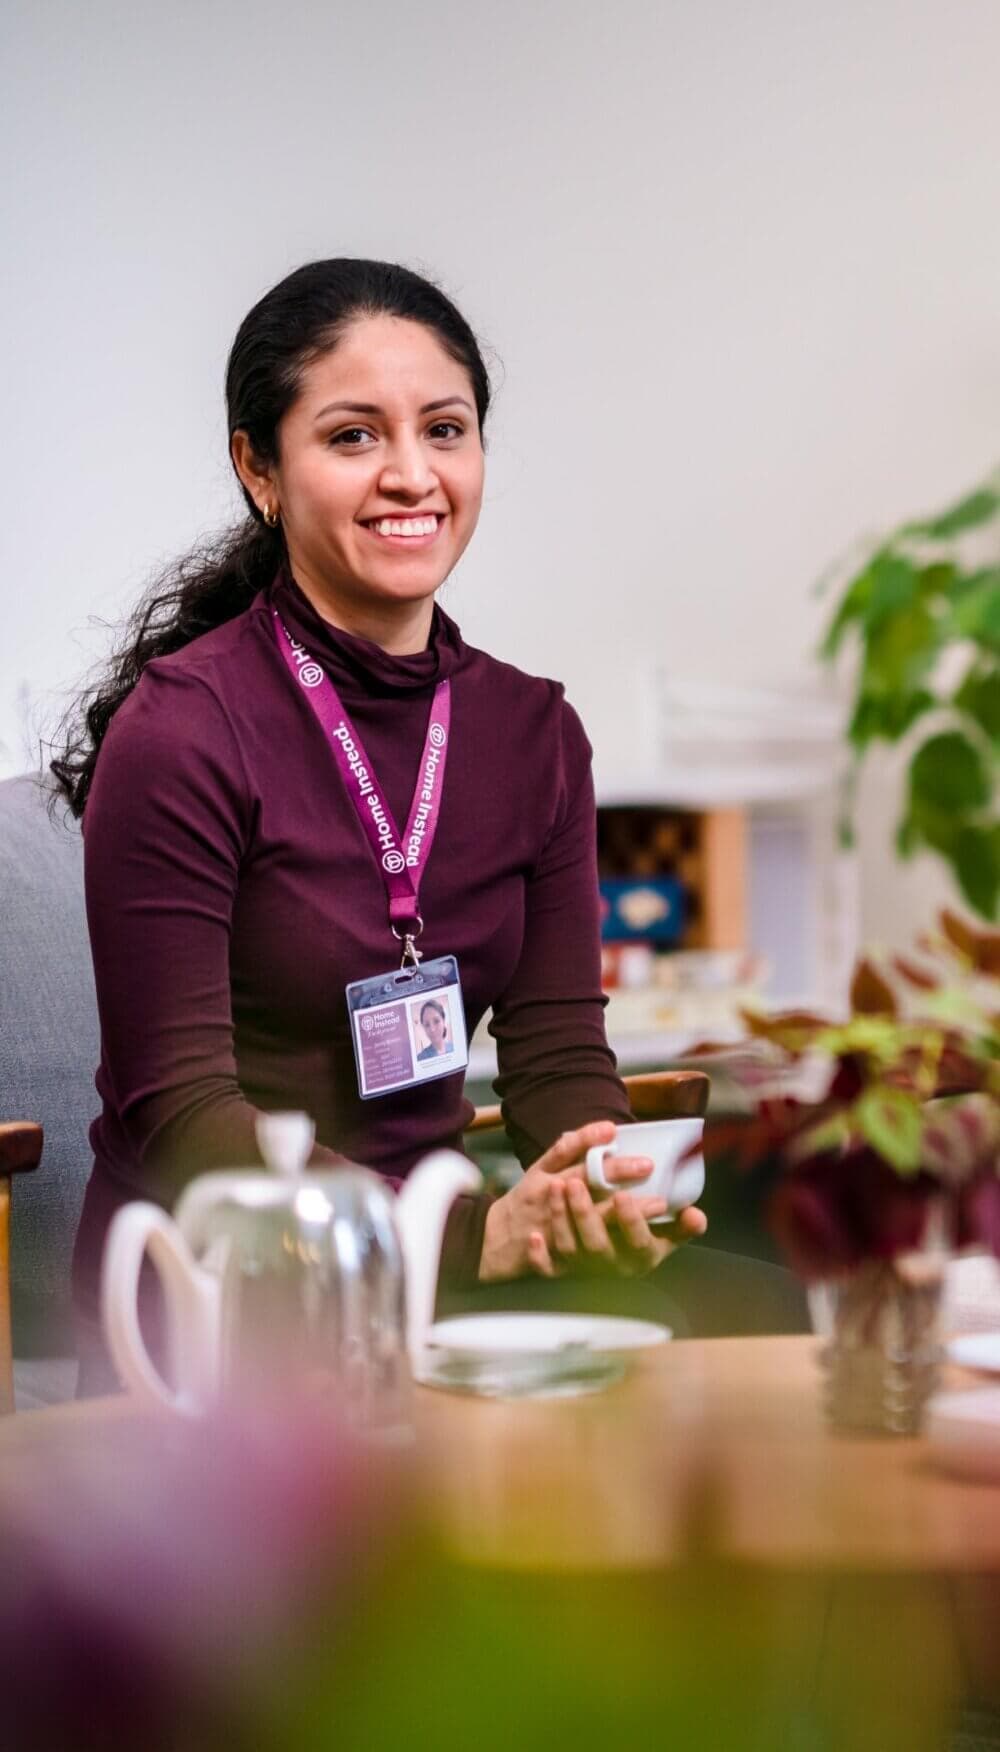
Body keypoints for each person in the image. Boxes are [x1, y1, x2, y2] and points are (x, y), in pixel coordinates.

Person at [53, 258, 804, 1393]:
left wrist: (594, 1188)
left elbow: (558, 1058)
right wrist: (470, 1234)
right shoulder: (184, 732)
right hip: (237, 1287)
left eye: (444, 430)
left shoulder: (533, 731)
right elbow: (182, 1116)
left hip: (460, 1268)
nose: (413, 475)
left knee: (766, 1322)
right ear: (259, 468)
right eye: (353, 437)